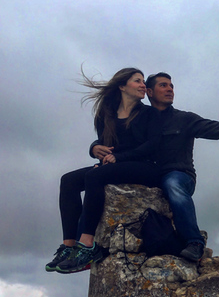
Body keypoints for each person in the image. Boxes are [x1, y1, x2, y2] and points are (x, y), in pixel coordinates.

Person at [48, 68, 162, 274]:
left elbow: (153, 145)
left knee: (95, 176)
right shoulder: (106, 114)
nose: (143, 85)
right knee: (68, 180)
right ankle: (69, 246)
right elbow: (103, 144)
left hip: (145, 167)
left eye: (143, 81)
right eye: (137, 81)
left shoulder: (149, 113)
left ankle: (87, 245)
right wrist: (94, 149)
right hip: (115, 165)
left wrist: (119, 157)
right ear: (122, 86)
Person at [143, 72, 219, 262]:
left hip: (180, 175)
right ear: (149, 92)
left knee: (173, 184)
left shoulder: (185, 118)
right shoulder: (141, 119)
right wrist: (96, 149)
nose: (170, 89)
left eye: (171, 86)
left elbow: (215, 129)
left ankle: (195, 242)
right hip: (150, 173)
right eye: (163, 85)